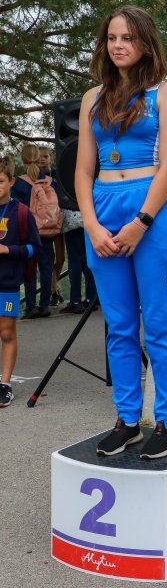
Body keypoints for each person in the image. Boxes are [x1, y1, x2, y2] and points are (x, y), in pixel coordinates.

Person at [75, 6, 167, 459]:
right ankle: (127, 420)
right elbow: (83, 171)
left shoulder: (166, 94)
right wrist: (92, 224)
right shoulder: (92, 97)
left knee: (159, 321)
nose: (118, 45)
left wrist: (140, 223)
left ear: (145, 42)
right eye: (112, 38)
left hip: (151, 211)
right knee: (119, 325)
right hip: (102, 207)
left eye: (127, 37)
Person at [0, 156, 41, 407]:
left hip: (7, 282)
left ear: (11, 181)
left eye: (0, 181)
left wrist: (8, 250)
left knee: (6, 332)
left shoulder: (22, 212)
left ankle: (5, 384)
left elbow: (35, 248)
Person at [12, 144, 58, 318]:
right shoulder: (50, 181)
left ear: (23, 158)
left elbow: (17, 209)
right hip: (48, 228)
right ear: (38, 157)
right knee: (46, 267)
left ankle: (30, 306)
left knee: (30, 269)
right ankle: (44, 305)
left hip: (28, 231)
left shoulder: (18, 183)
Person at [39, 146, 66, 307]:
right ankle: (53, 290)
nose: (42, 159)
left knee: (61, 258)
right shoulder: (35, 176)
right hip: (43, 223)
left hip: (58, 220)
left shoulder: (57, 175)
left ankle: (53, 287)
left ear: (51, 158)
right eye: (39, 156)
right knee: (48, 259)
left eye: (45, 156)